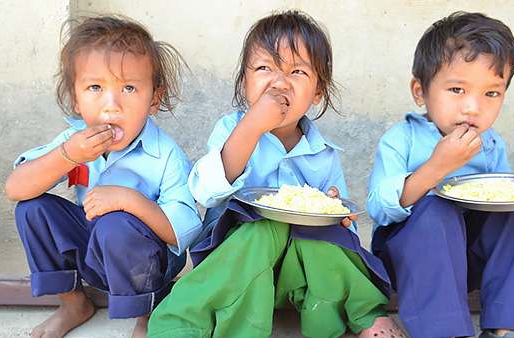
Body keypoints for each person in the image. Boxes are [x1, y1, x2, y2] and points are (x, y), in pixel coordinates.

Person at [148, 10, 404, 338]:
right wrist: (252, 126)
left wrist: (333, 210)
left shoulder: (324, 155)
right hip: (238, 264)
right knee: (258, 231)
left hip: (298, 273)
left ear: (317, 92)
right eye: (264, 68)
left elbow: (345, 221)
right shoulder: (232, 130)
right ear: (244, 84)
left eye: (297, 71)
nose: (279, 82)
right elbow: (205, 192)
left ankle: (364, 312)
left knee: (331, 241)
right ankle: (187, 321)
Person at [4, 15, 202, 338]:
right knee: (31, 208)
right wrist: (67, 155)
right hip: (93, 249)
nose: (112, 106)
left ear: (154, 99)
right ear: (75, 97)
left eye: (128, 87)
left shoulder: (166, 155)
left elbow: (182, 233)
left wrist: (128, 200)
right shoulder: (73, 140)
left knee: (115, 225)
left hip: (145, 262)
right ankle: (73, 304)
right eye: (95, 87)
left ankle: (147, 316)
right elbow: (15, 188)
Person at [366, 11, 514, 338]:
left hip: (469, 262)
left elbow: (500, 215)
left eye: (491, 93)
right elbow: (379, 208)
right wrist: (435, 168)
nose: (473, 107)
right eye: (457, 89)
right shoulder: (403, 138)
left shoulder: (492, 144)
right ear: (420, 92)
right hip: (410, 260)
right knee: (436, 209)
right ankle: (446, 332)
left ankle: (508, 328)